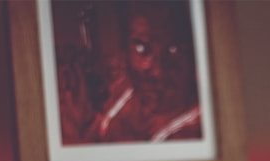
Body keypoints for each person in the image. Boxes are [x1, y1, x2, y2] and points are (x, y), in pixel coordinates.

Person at [84, 1, 202, 143]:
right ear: (124, 52)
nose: (158, 71)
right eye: (142, 48)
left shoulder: (195, 131)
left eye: (173, 49)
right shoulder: (122, 92)